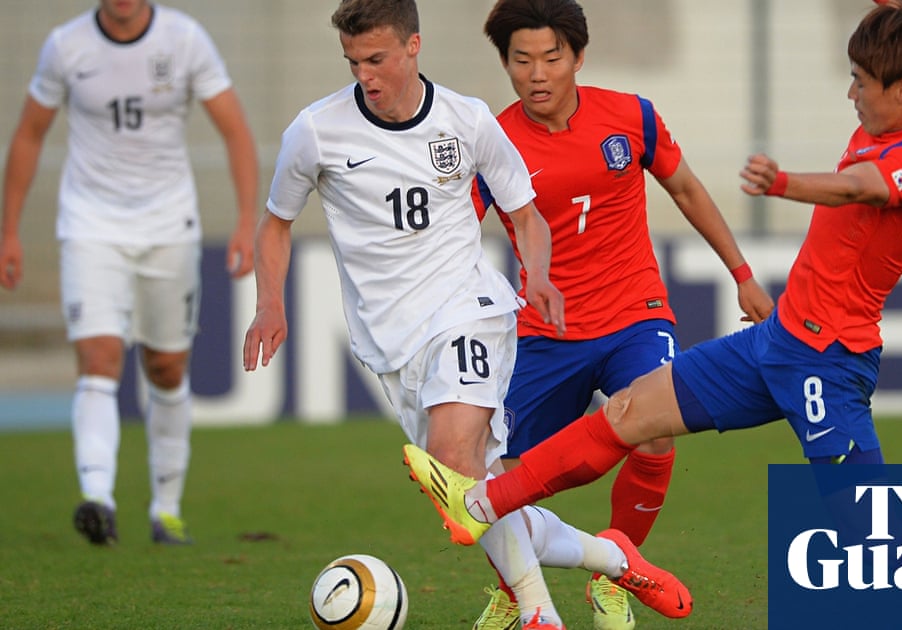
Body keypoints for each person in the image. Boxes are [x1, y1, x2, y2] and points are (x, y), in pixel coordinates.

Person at [404, 0, 902, 568]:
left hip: (828, 358)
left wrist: (783, 183)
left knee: (870, 523)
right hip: (775, 341)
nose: (852, 94)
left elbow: (860, 188)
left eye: (860, 82)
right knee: (630, 412)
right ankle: (485, 503)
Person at [241, 2, 691, 628]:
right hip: (390, 340)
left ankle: (538, 613)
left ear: (413, 46)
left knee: (458, 463)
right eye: (353, 63)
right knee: (473, 498)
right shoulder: (316, 131)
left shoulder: (468, 120)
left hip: (467, 309)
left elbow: (526, 215)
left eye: (377, 60)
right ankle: (614, 559)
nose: (365, 76)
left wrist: (535, 275)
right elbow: (277, 223)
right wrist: (269, 302)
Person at [470, 1, 775, 628]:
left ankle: (617, 573)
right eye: (521, 60)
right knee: (499, 475)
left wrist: (742, 274)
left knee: (654, 428)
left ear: (578, 57)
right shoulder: (490, 141)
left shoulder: (631, 117)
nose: (537, 74)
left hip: (635, 313)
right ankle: (516, 583)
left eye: (551, 58)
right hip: (543, 331)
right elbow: (455, 238)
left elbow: (686, 188)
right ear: (505, 63)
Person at [0, 0, 259, 546]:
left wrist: (243, 222)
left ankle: (166, 509)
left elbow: (235, 130)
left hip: (169, 225)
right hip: (91, 224)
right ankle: (99, 499)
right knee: (98, 357)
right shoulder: (65, 46)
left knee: (166, 367)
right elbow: (28, 133)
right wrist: (9, 230)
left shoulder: (184, 39)